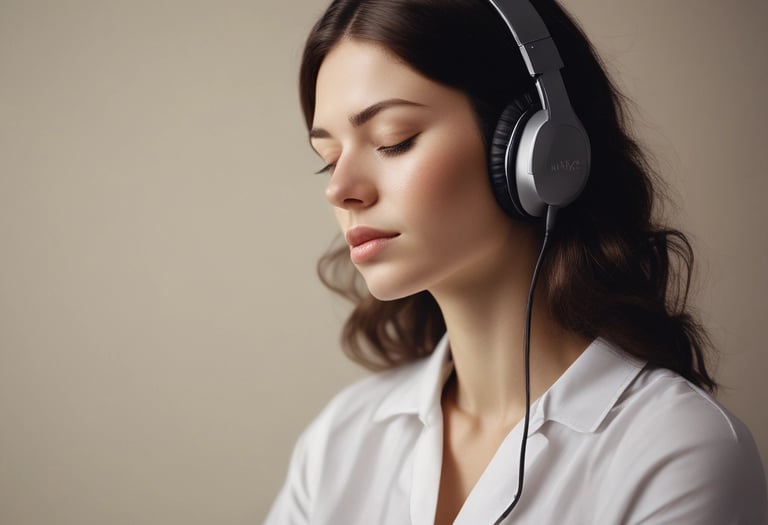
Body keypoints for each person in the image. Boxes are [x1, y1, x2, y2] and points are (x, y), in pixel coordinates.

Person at [265, 0, 767, 523]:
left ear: (538, 151)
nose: (340, 190)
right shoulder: (339, 441)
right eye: (329, 160)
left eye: (394, 140)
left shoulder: (676, 453)